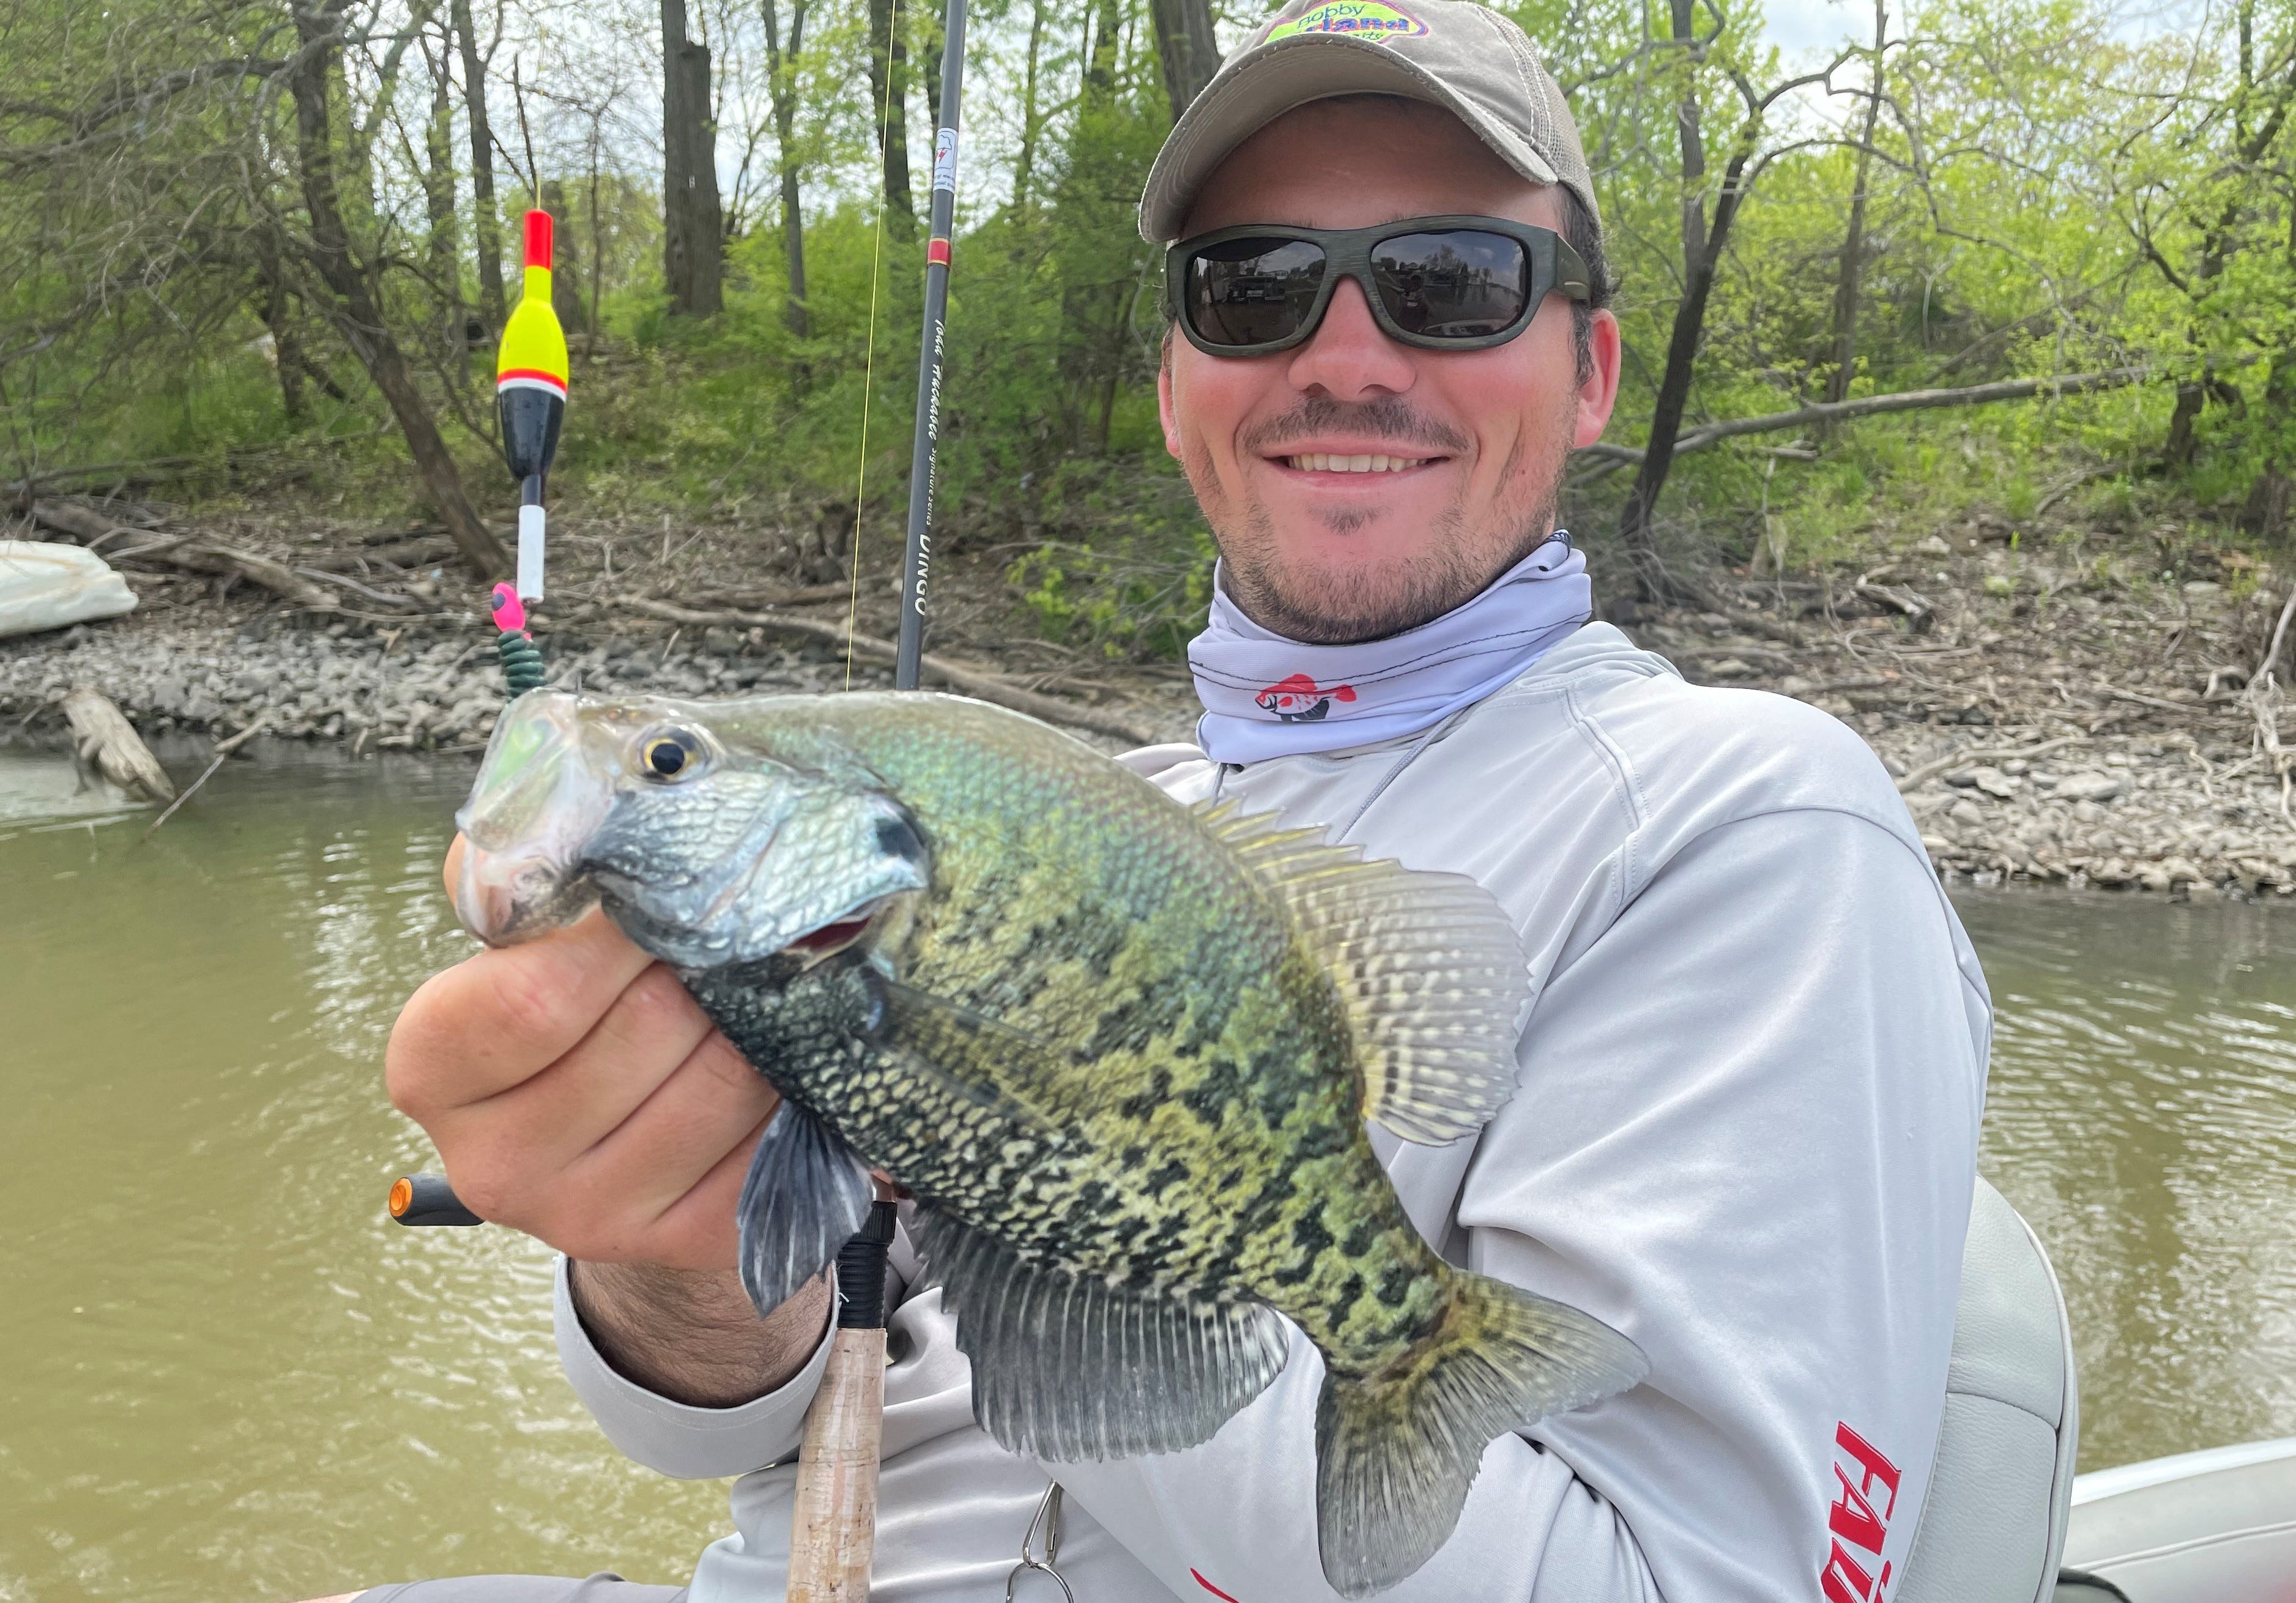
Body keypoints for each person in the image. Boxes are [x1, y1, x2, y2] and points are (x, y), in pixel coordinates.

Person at [355, 3, 1988, 1599]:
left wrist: (1060, 1185)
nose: (1345, 357)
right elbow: (722, 1420)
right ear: (1174, 381)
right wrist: (663, 1243)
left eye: (1449, 282)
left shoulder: (1746, 822)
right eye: (1254, 285)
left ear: (1590, 372)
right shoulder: (1111, 814)